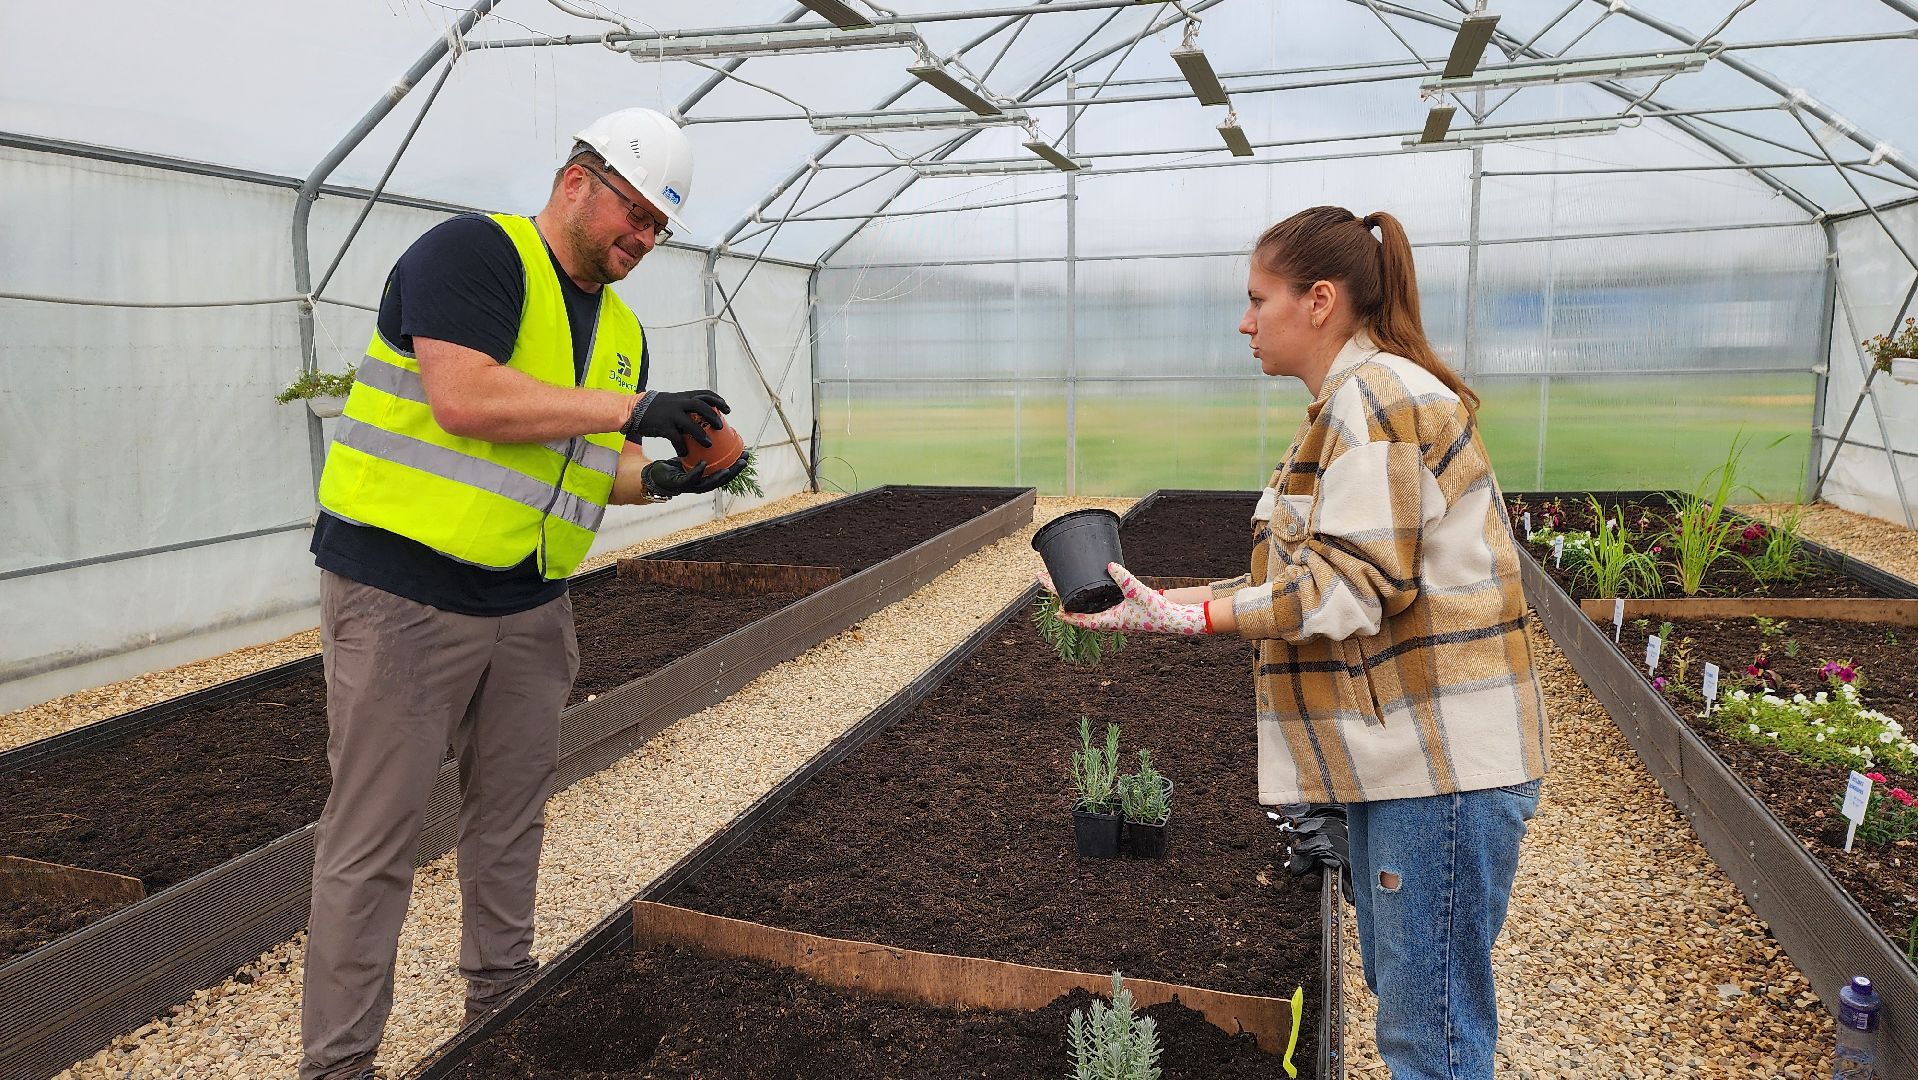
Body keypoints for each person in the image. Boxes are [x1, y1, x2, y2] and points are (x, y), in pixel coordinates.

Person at [1049, 205, 1548, 1080]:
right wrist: (1158, 603)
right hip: (1410, 760)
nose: (1244, 322)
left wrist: (1198, 618)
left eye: (1257, 299)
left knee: (1430, 1040)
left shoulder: (1379, 400)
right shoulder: (1350, 402)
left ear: (1319, 301)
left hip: (1438, 768)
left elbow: (1351, 589)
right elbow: (1318, 572)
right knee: (1421, 1022)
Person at [299, 107, 744, 1080]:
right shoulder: (472, 256)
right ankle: (337, 1066)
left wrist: (672, 477)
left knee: (511, 820)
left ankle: (499, 1021)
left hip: (530, 603)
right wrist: (635, 412)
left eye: (658, 229)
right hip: (403, 594)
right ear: (577, 179)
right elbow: (467, 400)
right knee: (374, 841)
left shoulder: (622, 333)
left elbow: (601, 468)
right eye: (634, 213)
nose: (642, 239)